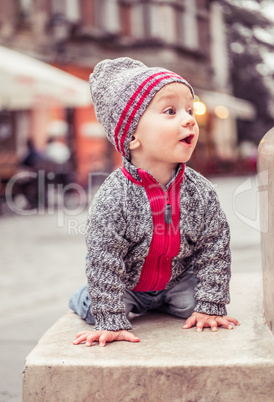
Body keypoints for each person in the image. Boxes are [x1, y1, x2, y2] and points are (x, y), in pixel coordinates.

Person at [69, 57, 239, 347]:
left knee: (194, 305)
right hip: (129, 284)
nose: (188, 119)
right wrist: (110, 321)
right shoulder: (114, 196)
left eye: (189, 110)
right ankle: (84, 296)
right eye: (170, 111)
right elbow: (104, 257)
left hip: (177, 280)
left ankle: (168, 301)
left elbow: (214, 247)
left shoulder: (200, 191)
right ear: (132, 135)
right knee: (100, 309)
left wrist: (210, 305)